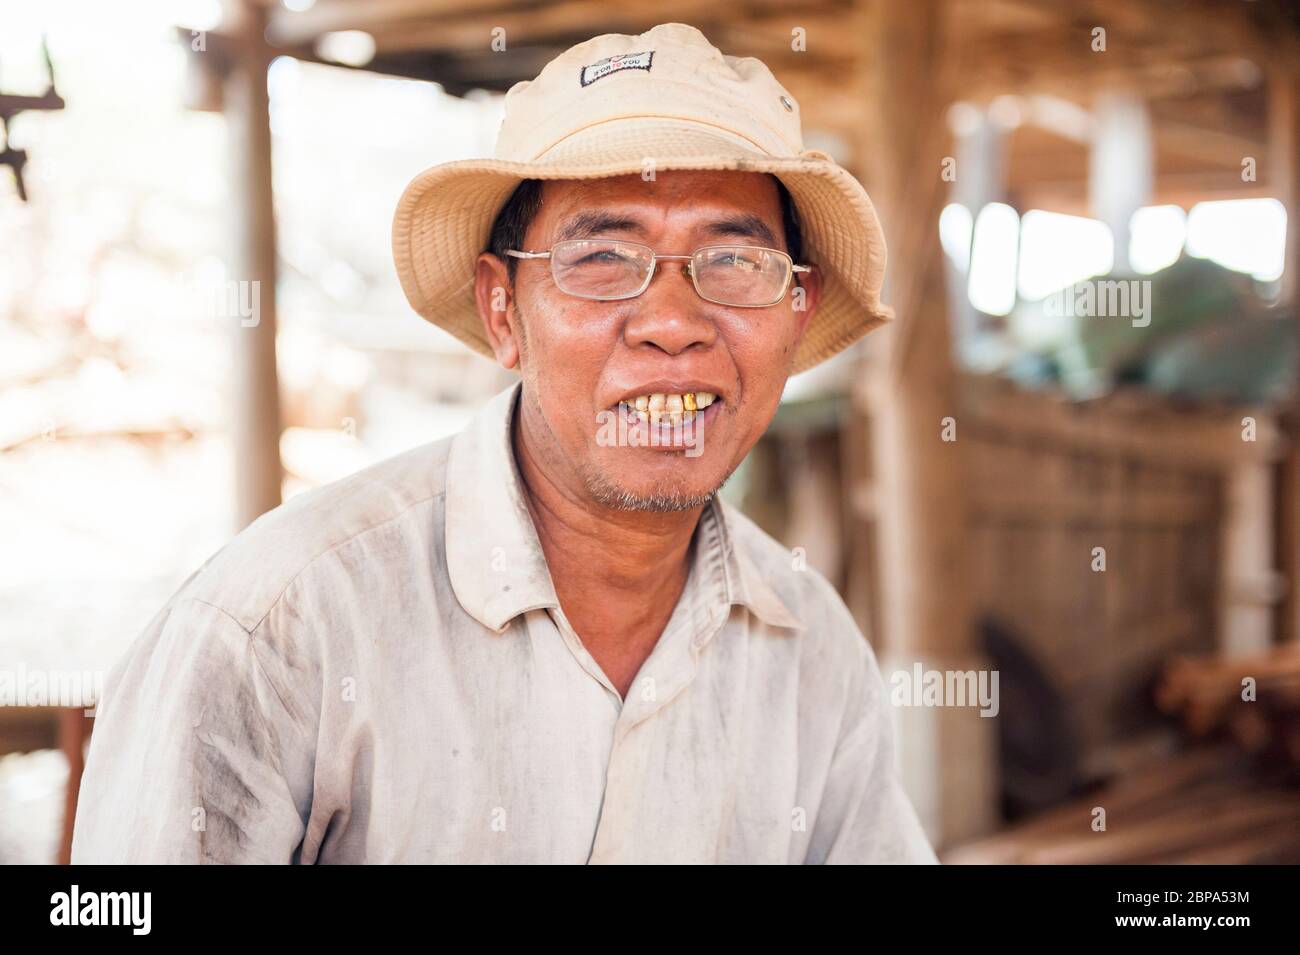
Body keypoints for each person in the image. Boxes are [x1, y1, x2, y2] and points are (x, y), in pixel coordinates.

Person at [72, 21, 937, 864]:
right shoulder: (276, 634)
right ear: (501, 312)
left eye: (734, 261)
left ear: (797, 310)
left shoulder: (812, 653)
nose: (672, 323)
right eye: (601, 256)